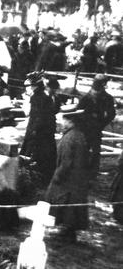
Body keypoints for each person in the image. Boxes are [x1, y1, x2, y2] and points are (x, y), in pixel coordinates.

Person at [45, 104, 91, 243]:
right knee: (73, 205)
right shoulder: (79, 134)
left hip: (69, 178)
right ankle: (68, 231)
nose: (61, 122)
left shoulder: (69, 138)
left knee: (65, 203)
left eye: (63, 119)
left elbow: (66, 162)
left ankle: (68, 231)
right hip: (78, 178)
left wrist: (57, 177)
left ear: (70, 120)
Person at [20, 72, 57, 185]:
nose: (26, 89)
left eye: (27, 87)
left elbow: (37, 119)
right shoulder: (43, 97)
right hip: (46, 133)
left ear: (34, 86)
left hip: (38, 133)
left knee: (34, 157)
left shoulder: (36, 98)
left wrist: (31, 134)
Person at [77, 74, 116, 178]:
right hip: (85, 127)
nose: (96, 90)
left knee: (95, 151)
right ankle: (81, 171)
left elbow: (112, 114)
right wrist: (82, 123)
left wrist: (101, 123)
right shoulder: (86, 97)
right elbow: (78, 111)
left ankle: (92, 173)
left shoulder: (107, 98)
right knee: (82, 149)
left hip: (96, 128)